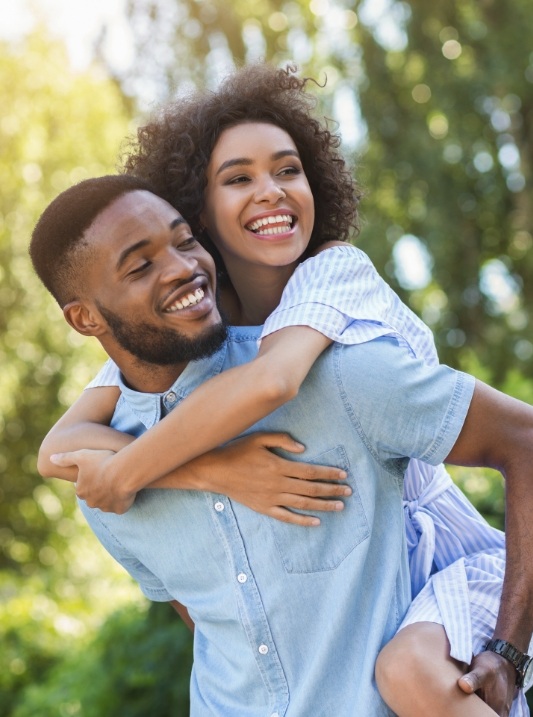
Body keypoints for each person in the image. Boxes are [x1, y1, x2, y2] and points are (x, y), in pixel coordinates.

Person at [34, 65, 533, 715]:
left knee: (408, 670)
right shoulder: (175, 342)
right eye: (237, 178)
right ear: (195, 207)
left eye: (287, 169)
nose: (269, 192)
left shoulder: (331, 286)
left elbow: (272, 381)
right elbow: (62, 448)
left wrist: (130, 470)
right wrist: (209, 470)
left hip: (438, 560)